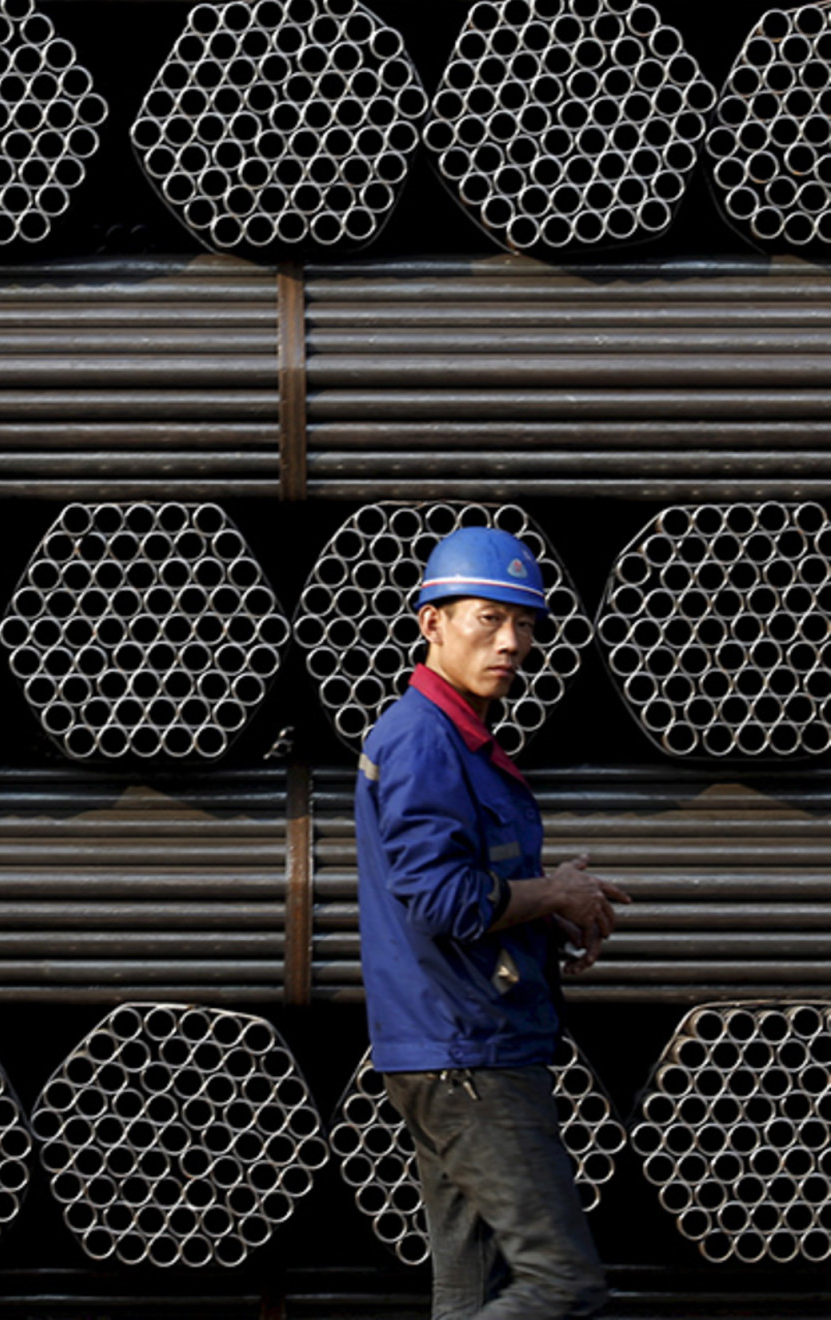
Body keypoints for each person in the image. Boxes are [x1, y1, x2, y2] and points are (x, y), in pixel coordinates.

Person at [354, 525, 631, 1320]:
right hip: (469, 1055)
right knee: (558, 1284)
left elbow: (472, 884)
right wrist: (548, 898)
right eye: (487, 618)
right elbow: (443, 900)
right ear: (431, 622)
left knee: (470, 1293)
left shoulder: (458, 739)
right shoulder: (421, 741)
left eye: (525, 623)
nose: (511, 642)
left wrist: (552, 902)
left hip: (458, 1047)